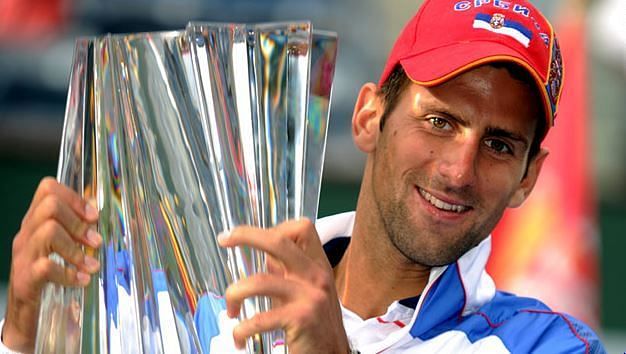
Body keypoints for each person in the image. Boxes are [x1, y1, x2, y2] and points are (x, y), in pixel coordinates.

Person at [1, 0, 606, 353]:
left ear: (528, 178)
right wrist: (25, 333)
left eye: (499, 145)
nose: (459, 169)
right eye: (440, 121)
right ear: (368, 116)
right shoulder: (204, 306)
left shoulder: (547, 347)